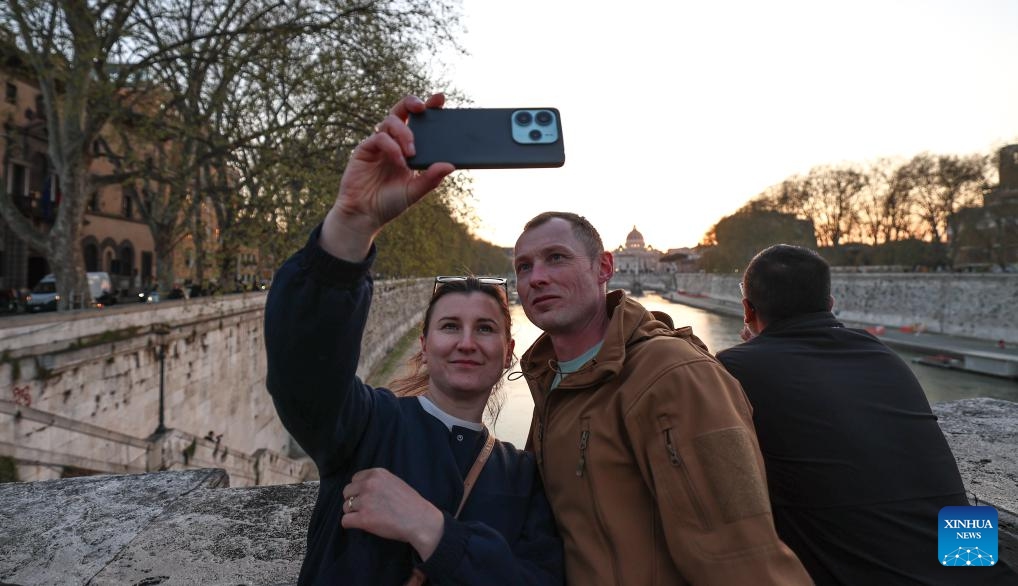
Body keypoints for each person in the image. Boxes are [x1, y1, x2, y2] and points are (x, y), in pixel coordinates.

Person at [264, 94, 563, 585]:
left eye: (486, 328)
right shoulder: (366, 426)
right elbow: (305, 367)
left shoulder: (523, 476)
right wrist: (353, 223)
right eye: (450, 326)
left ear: (508, 352)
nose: (467, 341)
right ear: (423, 345)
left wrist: (431, 529)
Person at [513, 212, 812, 584]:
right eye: (524, 267)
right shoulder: (551, 378)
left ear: (605, 266)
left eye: (556, 258)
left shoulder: (677, 373)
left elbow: (743, 556)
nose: (537, 277)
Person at [716, 244, 1017, 585]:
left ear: (747, 310)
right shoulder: (883, 355)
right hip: (983, 573)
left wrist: (748, 353)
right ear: (830, 305)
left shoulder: (733, 369)